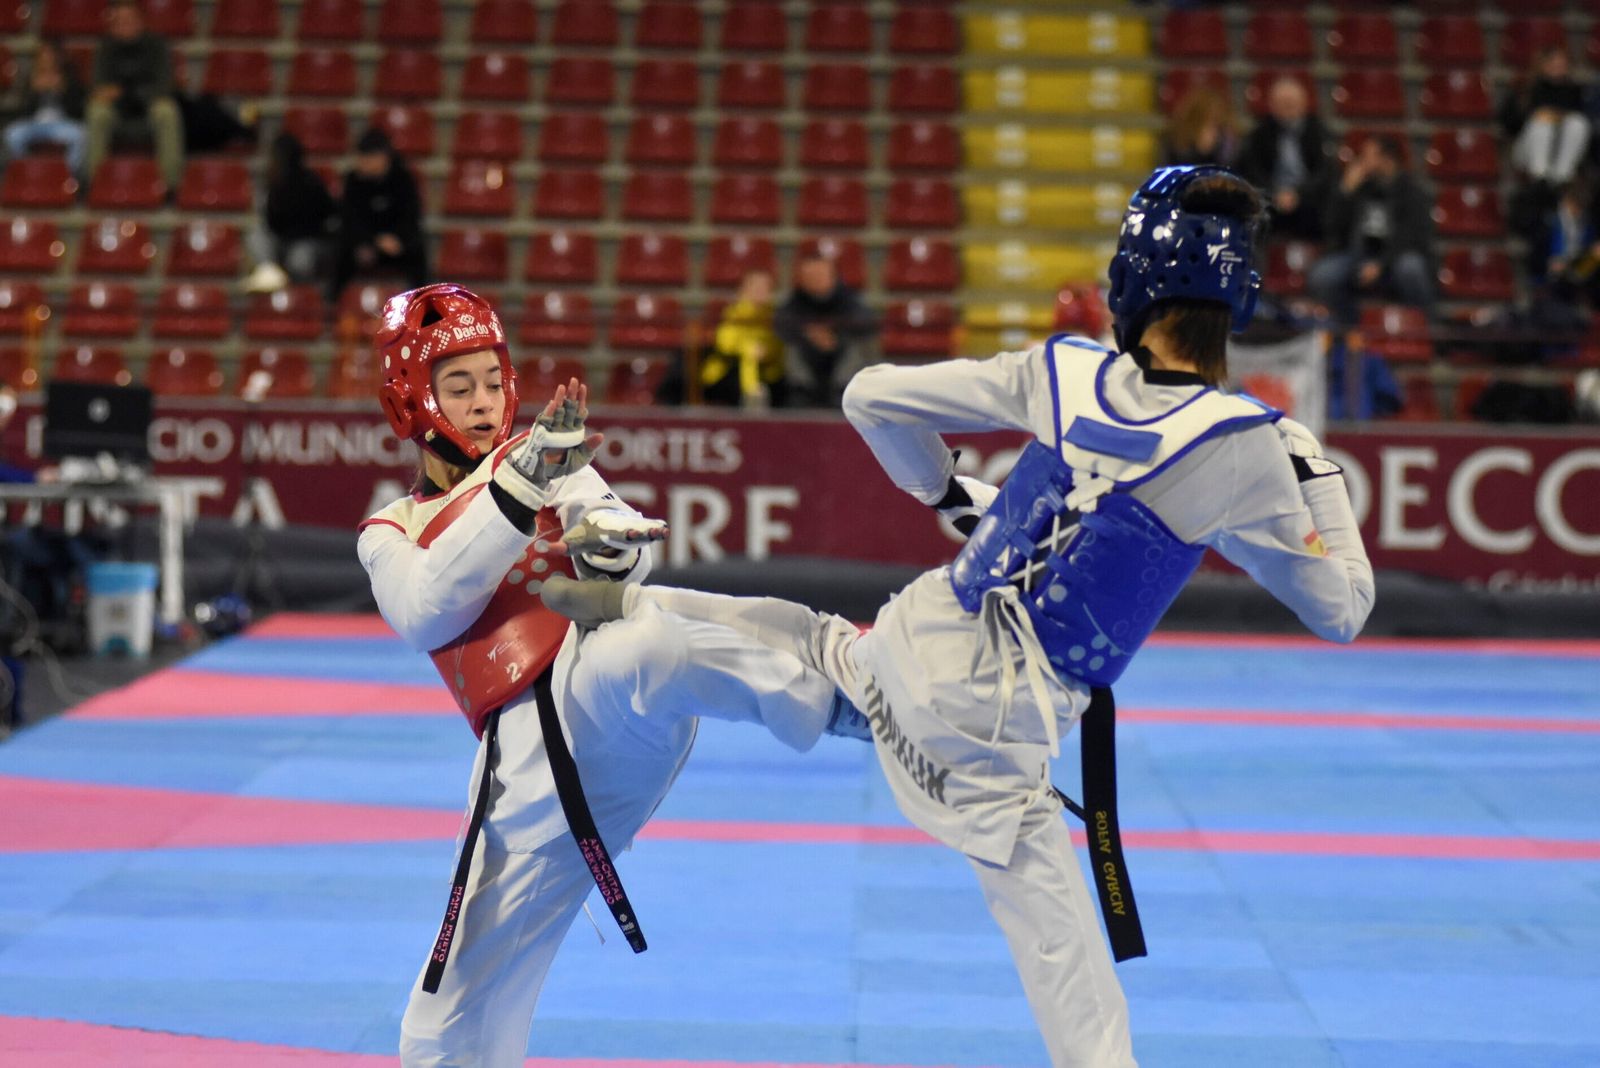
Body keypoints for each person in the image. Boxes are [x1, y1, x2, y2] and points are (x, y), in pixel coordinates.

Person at [543, 165, 1375, 1067]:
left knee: (817, 648)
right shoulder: (1249, 445)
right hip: (992, 739)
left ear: (1129, 285)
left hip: (913, 638)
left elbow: (867, 397)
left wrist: (941, 487)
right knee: (1075, 984)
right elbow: (1342, 610)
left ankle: (638, 606)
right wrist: (1309, 467)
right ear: (1238, 305)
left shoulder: (1064, 368)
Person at [357, 284, 869, 1067]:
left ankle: (851, 696)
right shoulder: (394, 530)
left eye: (493, 380)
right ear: (412, 401)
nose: (485, 402)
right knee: (444, 1031)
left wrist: (607, 549)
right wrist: (524, 485)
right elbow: (429, 608)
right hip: (526, 765)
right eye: (458, 387)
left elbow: (625, 538)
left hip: (603, 701)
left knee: (649, 630)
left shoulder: (545, 457)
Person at [1307, 135, 1436, 327]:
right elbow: (1332, 227)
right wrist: (1345, 192)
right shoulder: (1361, 188)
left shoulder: (1412, 191)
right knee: (1323, 275)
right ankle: (1348, 328)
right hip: (1359, 256)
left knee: (1411, 268)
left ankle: (1424, 328)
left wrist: (1381, 264)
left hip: (1396, 258)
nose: (1361, 161)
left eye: (1367, 156)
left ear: (1387, 159)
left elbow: (1411, 237)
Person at [85, 0, 183, 190]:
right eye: (119, 21)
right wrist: (119, 95)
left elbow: (163, 86)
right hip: (116, 110)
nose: (124, 25)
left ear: (141, 21)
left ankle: (169, 185)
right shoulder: (106, 47)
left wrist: (126, 93)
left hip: (149, 107)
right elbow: (98, 88)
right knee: (96, 112)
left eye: (129, 20)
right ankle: (94, 183)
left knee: (167, 111)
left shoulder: (156, 45)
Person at [328, 127, 428, 303]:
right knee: (340, 252)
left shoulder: (403, 179)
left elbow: (411, 216)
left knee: (418, 252)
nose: (361, 163)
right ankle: (332, 306)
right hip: (365, 243)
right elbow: (349, 219)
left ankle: (422, 305)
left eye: (366, 159)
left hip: (396, 243)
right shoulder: (354, 181)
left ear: (382, 157)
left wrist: (397, 239)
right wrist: (369, 241)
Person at [1233, 75, 1333, 241]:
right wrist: (1275, 193)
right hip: (1270, 198)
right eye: (1282, 104)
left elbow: (1324, 172)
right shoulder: (1259, 134)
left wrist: (1299, 194)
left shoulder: (1319, 132)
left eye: (1291, 103)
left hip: (1308, 199)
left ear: (1303, 103)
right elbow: (1252, 170)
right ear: (1272, 105)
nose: (1287, 109)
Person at [773, 251, 878, 407]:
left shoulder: (848, 299)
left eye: (820, 274)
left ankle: (842, 393)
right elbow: (781, 325)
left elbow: (867, 323)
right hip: (808, 357)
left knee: (858, 349)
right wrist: (809, 334)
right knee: (790, 351)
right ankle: (801, 395)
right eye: (809, 276)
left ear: (832, 276)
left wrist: (835, 337)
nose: (815, 280)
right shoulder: (795, 301)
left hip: (841, 357)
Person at [244, 133, 336, 293]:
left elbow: (326, 217)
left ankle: (297, 293)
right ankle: (270, 274)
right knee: (255, 236)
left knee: (300, 259)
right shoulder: (272, 184)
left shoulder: (312, 183)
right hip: (280, 241)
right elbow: (269, 220)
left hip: (305, 242)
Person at [1500, 46, 1591, 189]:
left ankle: (1563, 176)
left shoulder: (1573, 90)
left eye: (1562, 64)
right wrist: (1535, 115)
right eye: (1554, 64)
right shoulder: (1526, 88)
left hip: (1559, 147)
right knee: (1542, 123)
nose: (1558, 68)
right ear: (1542, 64)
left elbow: (1583, 122)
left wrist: (1558, 117)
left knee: (1578, 122)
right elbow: (1508, 124)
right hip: (1526, 150)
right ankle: (1539, 178)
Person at [2, 40, 88, 179]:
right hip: (35, 122)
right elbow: (20, 111)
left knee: (80, 135)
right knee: (12, 134)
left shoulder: (70, 76)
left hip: (62, 122)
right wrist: (34, 92)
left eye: (50, 56)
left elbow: (79, 110)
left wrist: (63, 90)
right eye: (43, 56)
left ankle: (68, 175)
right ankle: (26, 173)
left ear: (58, 58)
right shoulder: (29, 77)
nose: (46, 60)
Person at [701, 269, 786, 407]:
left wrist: (766, 351)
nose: (760, 291)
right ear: (743, 289)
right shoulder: (732, 313)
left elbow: (778, 344)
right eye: (755, 286)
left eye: (765, 287)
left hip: (767, 370)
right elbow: (725, 343)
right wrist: (748, 349)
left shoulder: (775, 316)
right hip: (730, 368)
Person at [1161, 85, 1237, 168]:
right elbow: (1177, 166)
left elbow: (1228, 167)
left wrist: (1214, 150)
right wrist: (1200, 150)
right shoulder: (1179, 136)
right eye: (1207, 119)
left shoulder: (1226, 137)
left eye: (1215, 119)